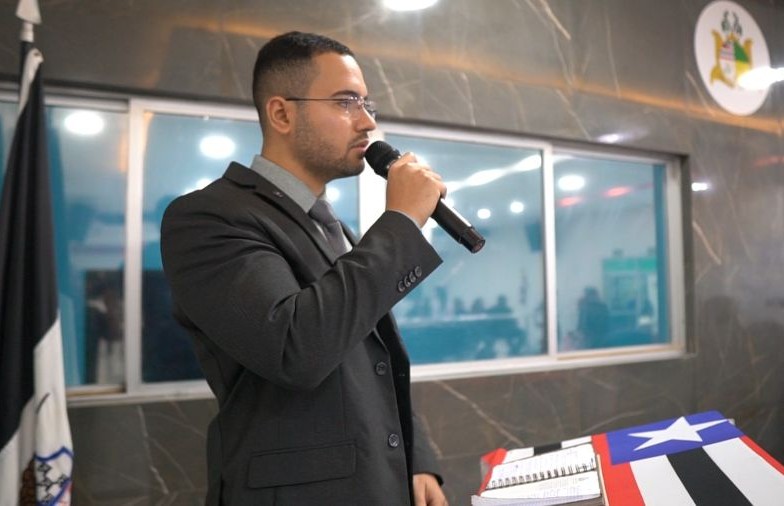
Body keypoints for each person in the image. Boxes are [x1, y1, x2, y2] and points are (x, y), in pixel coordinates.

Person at [160, 31, 449, 505]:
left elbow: (371, 360)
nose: (367, 122)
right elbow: (296, 348)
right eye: (346, 102)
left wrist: (418, 459)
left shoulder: (331, 227)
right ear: (281, 114)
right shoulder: (209, 218)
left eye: (368, 105)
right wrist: (400, 223)